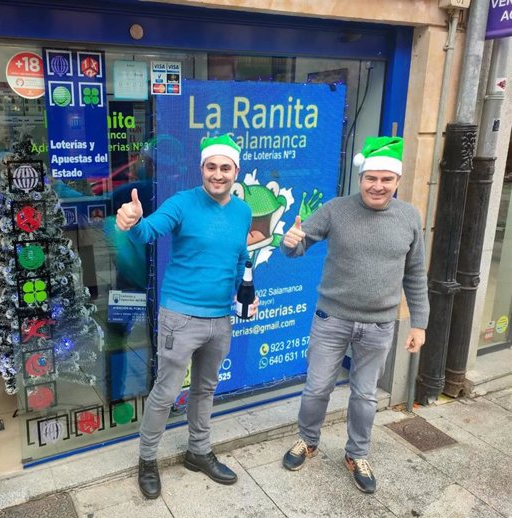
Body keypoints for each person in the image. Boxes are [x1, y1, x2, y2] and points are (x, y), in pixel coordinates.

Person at [280, 136, 429, 494]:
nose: (377, 185)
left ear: (396, 180)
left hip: (380, 325)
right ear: (360, 177)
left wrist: (420, 323)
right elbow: (299, 246)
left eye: (386, 179)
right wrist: (291, 243)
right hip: (333, 319)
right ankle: (308, 440)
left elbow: (416, 273)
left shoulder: (409, 217)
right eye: (370, 178)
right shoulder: (336, 210)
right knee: (317, 388)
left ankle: (357, 453)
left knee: (364, 396)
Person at [116, 134, 258, 499]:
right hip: (180, 317)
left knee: (205, 389)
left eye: (225, 168)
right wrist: (133, 221)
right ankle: (147, 460)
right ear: (202, 169)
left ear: (236, 171)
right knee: (165, 392)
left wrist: (249, 294)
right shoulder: (182, 203)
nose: (218, 174)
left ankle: (198, 451)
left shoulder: (243, 211)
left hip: (220, 319)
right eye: (211, 167)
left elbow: (241, 257)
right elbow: (151, 230)